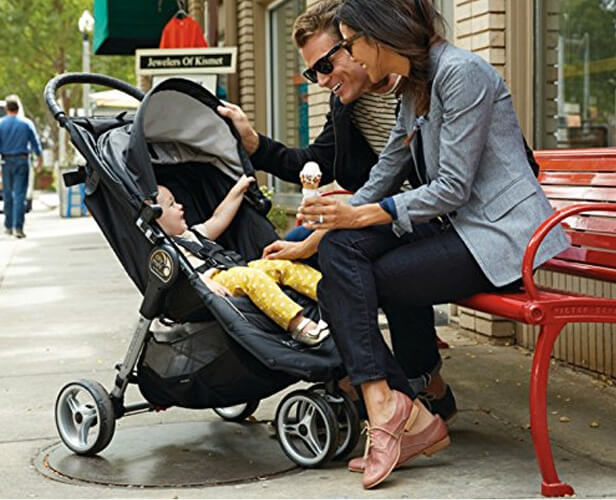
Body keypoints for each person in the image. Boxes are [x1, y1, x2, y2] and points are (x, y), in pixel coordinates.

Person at [297, 0, 570, 489]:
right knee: (339, 255)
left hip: (500, 235)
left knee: (351, 284)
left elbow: (452, 186)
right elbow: (387, 170)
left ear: (379, 36)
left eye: (353, 43)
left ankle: (403, 415)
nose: (354, 57)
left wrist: (360, 214)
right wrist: (322, 231)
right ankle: (395, 406)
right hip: (460, 227)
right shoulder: (415, 87)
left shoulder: (462, 74)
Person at [218, 0, 456, 422]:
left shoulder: (424, 86)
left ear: (359, 42)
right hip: (382, 215)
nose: (323, 80)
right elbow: (313, 162)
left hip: (431, 218)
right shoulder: (348, 104)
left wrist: (345, 218)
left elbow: (455, 181)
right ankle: (352, 371)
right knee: (284, 249)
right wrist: (254, 145)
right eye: (313, 73)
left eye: (327, 64)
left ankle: (412, 385)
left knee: (357, 253)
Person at [155, 177, 328, 346]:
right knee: (249, 277)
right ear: (155, 218)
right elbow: (177, 281)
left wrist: (239, 188)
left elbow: (219, 217)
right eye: (171, 204)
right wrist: (201, 282)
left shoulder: (194, 235)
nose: (180, 206)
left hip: (235, 269)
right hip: (212, 283)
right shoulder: (165, 253)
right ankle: (298, 326)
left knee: (280, 264)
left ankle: (333, 295)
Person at [0, 95, 42, 238]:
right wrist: (39, 159)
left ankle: (8, 226)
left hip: (6, 162)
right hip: (22, 161)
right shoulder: (26, 123)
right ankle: (18, 227)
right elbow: (36, 143)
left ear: (7, 109)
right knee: (19, 195)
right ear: (18, 108)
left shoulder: (1, 124)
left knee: (7, 194)